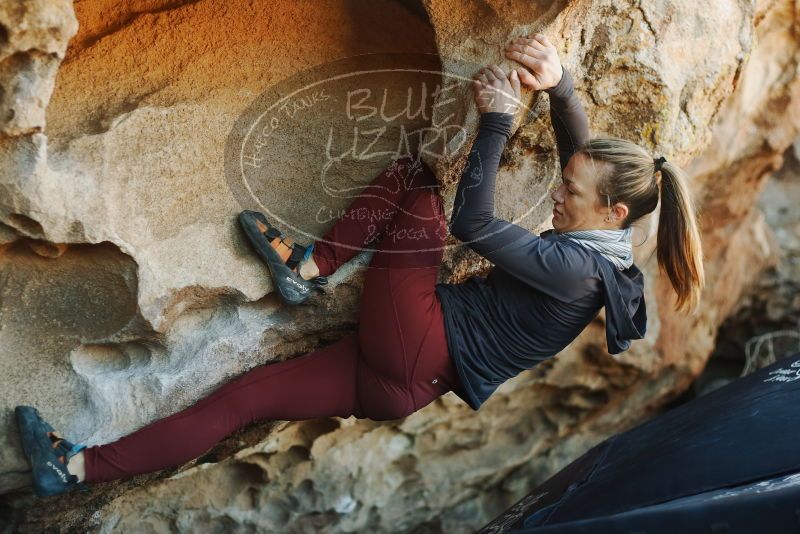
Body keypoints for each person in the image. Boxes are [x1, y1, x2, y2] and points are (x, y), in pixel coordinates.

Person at [15, 33, 704, 497]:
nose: (558, 193)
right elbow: (582, 159)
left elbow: (473, 223)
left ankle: (311, 269)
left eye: (571, 194)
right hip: (403, 386)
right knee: (237, 402)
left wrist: (496, 119)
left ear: (614, 213)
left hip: (420, 340)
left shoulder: (577, 272)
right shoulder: (604, 246)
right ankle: (71, 467)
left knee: (424, 183)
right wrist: (560, 89)